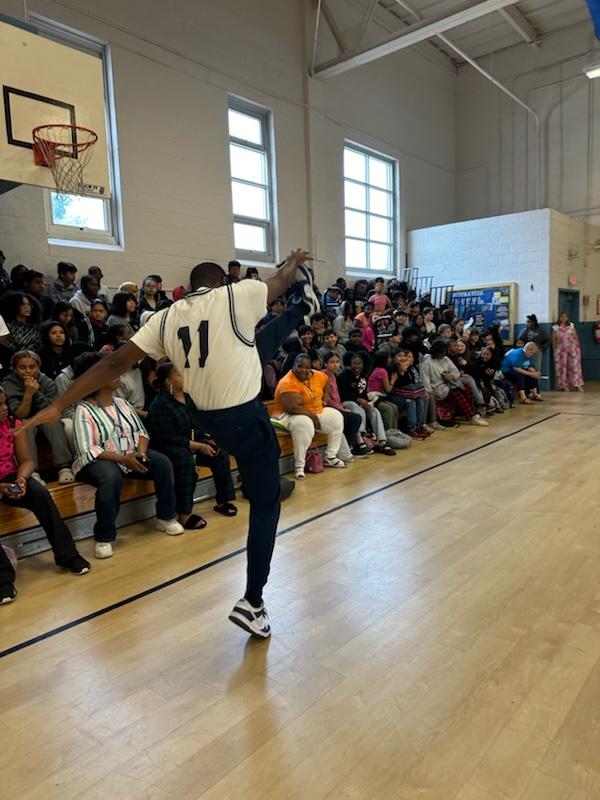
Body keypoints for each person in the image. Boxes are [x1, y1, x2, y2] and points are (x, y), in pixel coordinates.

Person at [18, 248, 318, 639]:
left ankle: (300, 311)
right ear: (223, 283)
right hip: (242, 416)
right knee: (266, 505)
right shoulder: (238, 293)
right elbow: (279, 281)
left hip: (204, 416)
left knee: (254, 347)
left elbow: (112, 364)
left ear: (190, 288)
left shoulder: (162, 317)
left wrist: (59, 403)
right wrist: (294, 265)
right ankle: (253, 602)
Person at [71, 353, 185, 558]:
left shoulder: (122, 403)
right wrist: (123, 459)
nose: (118, 374)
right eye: (110, 371)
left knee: (162, 463)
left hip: (129, 455)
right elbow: (88, 450)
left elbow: (142, 432)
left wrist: (140, 453)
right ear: (95, 378)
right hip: (99, 461)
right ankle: (104, 536)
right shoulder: (83, 410)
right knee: (111, 476)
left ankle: (166, 517)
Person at [0, 386, 89, 604]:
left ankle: (67, 555)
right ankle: (3, 580)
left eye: (3, 402)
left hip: (11, 477)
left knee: (40, 493)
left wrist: (21, 480)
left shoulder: (12, 424)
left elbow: (27, 460)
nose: (3, 408)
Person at [147, 363, 237, 528]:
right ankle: (184, 514)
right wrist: (197, 446)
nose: (186, 377)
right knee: (184, 460)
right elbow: (166, 437)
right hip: (168, 447)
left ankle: (223, 501)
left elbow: (200, 423)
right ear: (168, 382)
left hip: (193, 443)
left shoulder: (190, 398)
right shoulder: (160, 404)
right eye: (180, 374)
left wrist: (207, 439)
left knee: (220, 453)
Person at [2, 350, 75, 483]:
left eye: (32, 367)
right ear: (14, 369)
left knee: (53, 421)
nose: (28, 371)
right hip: (22, 421)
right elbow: (19, 414)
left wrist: (36, 393)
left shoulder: (46, 382)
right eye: (23, 367)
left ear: (38, 367)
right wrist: (29, 394)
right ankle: (33, 473)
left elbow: (52, 410)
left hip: (44, 417)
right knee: (24, 426)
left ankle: (64, 467)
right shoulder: (8, 385)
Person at [271, 353, 346, 479]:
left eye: (307, 367)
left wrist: (325, 400)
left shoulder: (317, 375)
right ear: (293, 366)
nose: (304, 370)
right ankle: (299, 466)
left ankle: (330, 457)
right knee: (304, 424)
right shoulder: (287, 382)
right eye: (300, 366)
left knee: (336, 417)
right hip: (286, 415)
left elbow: (326, 381)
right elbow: (292, 407)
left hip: (312, 411)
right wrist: (313, 416)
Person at [337, 353, 396, 455]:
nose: (357, 366)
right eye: (354, 364)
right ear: (349, 364)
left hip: (360, 402)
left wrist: (368, 403)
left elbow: (363, 393)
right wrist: (359, 400)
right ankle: (360, 439)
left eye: (359, 363)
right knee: (356, 407)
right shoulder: (343, 376)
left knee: (374, 411)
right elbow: (343, 395)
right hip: (347, 403)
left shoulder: (363, 376)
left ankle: (382, 441)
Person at [421, 340, 489, 425]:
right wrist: (429, 391)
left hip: (451, 383)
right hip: (437, 388)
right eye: (441, 353)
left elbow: (456, 372)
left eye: (444, 353)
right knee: (455, 393)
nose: (443, 355)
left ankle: (464, 414)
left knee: (467, 388)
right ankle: (472, 416)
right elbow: (425, 380)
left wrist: (452, 376)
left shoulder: (446, 359)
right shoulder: (427, 362)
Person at [321, 351, 369, 457]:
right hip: (328, 408)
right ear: (325, 364)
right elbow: (327, 400)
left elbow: (337, 397)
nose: (335, 365)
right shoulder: (323, 376)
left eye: (337, 362)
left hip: (337, 405)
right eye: (331, 362)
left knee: (354, 415)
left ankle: (352, 445)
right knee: (355, 418)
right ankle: (351, 446)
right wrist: (341, 408)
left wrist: (341, 407)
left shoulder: (333, 375)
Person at [552, 312, 584, 392]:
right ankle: (564, 385)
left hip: (572, 349)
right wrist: (555, 349)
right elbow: (553, 339)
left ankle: (577, 385)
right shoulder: (556, 327)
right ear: (559, 318)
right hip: (560, 350)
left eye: (565, 317)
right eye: (562, 316)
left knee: (574, 367)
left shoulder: (571, 326)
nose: (563, 318)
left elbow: (576, 337)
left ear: (567, 318)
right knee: (562, 368)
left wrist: (577, 348)